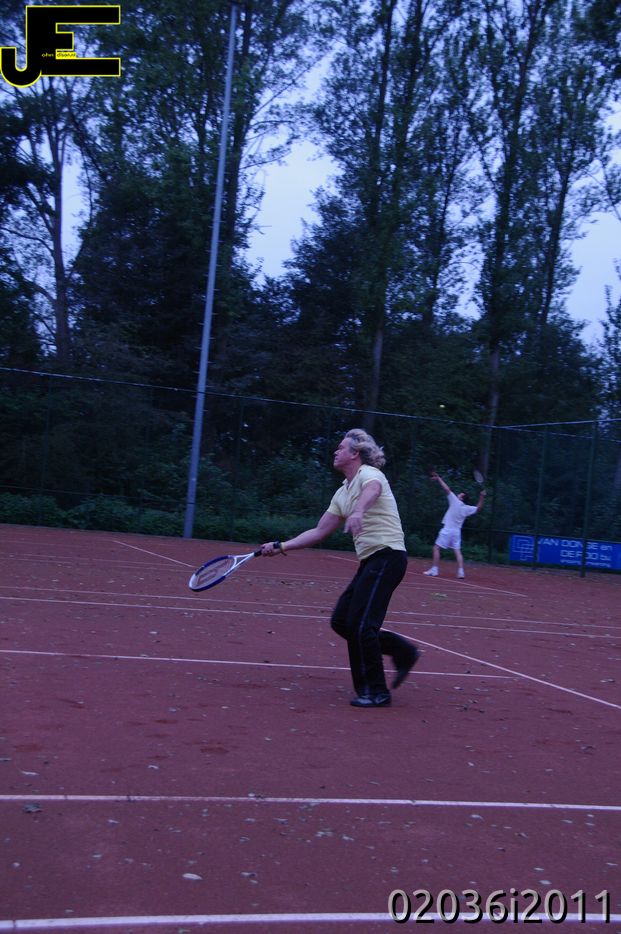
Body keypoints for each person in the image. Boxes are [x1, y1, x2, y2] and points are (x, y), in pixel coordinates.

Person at [261, 428, 419, 708]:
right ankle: (401, 650)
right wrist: (281, 545)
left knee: (362, 625)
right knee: (343, 622)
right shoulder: (342, 492)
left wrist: (358, 511)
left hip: (388, 556)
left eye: (341, 448)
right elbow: (320, 531)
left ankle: (376, 692)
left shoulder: (370, 474)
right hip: (371, 561)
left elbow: (373, 490)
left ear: (355, 454)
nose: (335, 451)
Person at [423, 471, 486, 579]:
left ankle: (434, 570)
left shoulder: (455, 501)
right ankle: (461, 572)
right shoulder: (467, 509)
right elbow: (478, 508)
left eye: (460, 494)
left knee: (436, 548)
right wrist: (482, 496)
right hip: (456, 532)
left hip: (447, 530)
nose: (458, 494)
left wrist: (438, 478)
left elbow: (446, 489)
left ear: (462, 497)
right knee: (457, 551)